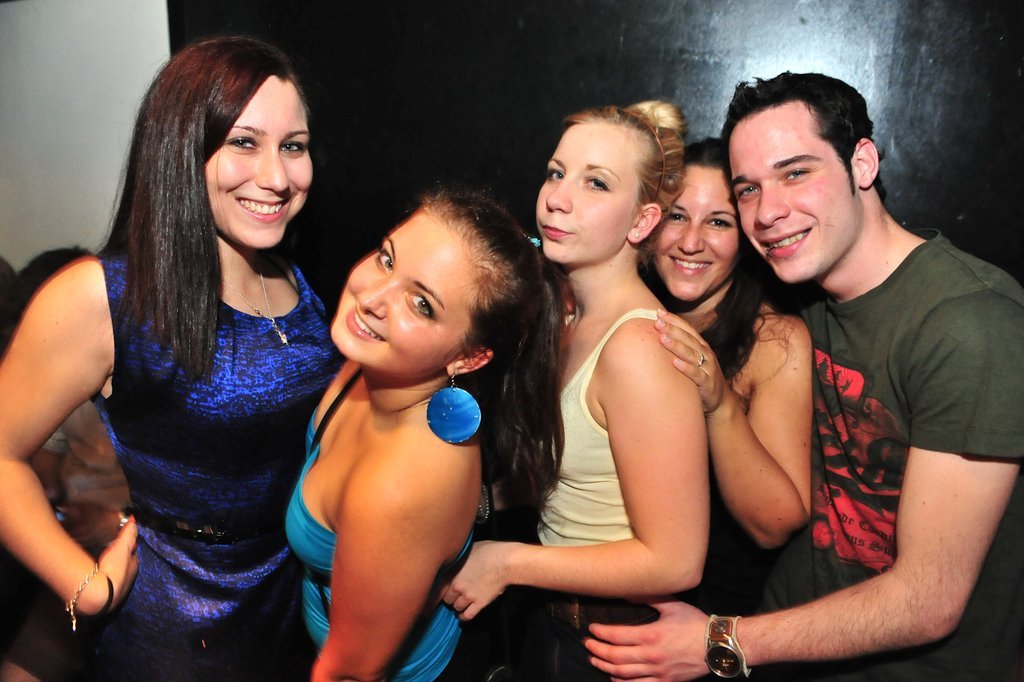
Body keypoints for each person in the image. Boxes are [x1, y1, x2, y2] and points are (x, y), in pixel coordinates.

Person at [586, 72, 1024, 681]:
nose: (768, 212)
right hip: (791, 649)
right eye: (749, 189)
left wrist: (720, 640)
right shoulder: (802, 296)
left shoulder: (970, 324)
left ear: (862, 163)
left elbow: (927, 602)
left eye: (796, 173)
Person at [0, 36, 342, 681]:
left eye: (293, 146)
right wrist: (84, 588)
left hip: (293, 607)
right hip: (177, 629)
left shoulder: (295, 281)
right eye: (244, 142)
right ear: (181, 147)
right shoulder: (104, 295)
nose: (277, 176)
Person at [443, 102, 710, 681]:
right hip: (560, 623)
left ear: (641, 222)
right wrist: (474, 501)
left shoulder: (638, 349)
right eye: (556, 172)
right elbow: (574, 479)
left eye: (596, 183)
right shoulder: (568, 318)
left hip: (616, 642)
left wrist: (507, 562)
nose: (558, 199)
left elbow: (676, 562)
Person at [285, 186, 565, 681]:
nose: (371, 298)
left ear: (468, 358)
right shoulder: (371, 363)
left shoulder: (399, 485)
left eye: (421, 304)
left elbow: (351, 673)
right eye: (386, 258)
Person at [648, 138, 812, 617]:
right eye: (677, 216)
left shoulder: (774, 341)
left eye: (718, 222)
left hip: (712, 620)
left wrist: (719, 405)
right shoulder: (630, 313)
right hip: (614, 599)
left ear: (746, 239)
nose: (690, 242)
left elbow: (775, 524)